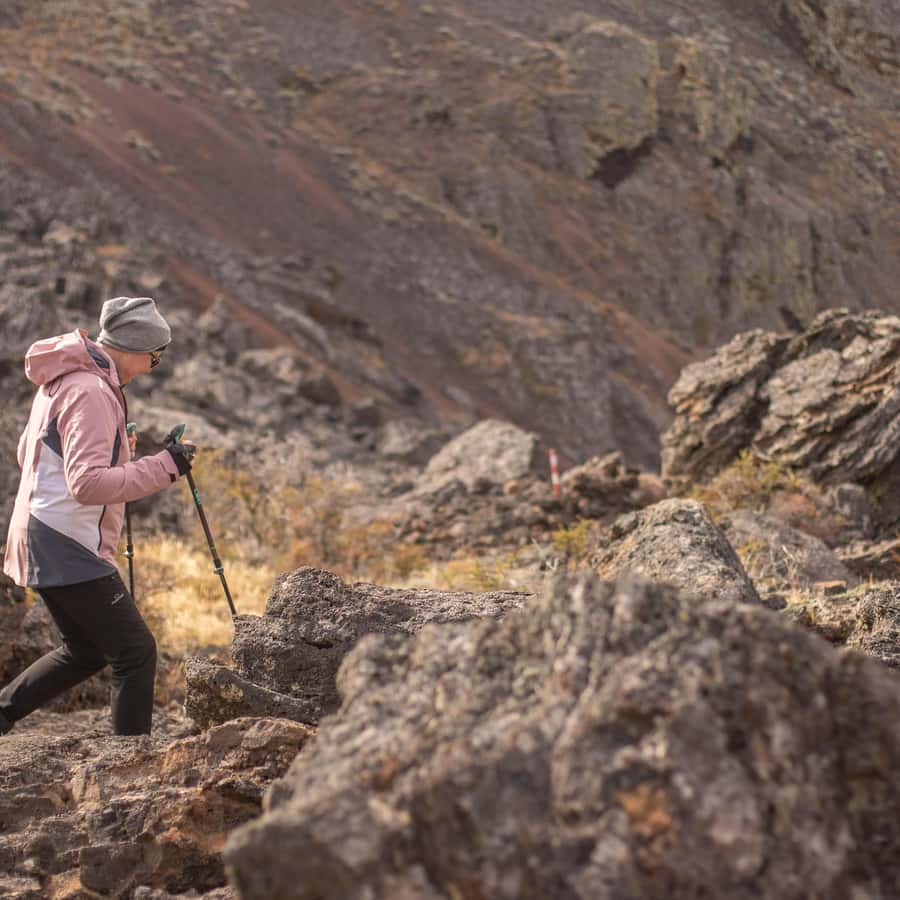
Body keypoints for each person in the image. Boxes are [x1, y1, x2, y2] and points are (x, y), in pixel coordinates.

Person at [0, 296, 195, 736]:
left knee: (86, 650)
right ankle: (131, 763)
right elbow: (86, 485)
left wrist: (117, 448)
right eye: (156, 354)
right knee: (136, 652)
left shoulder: (68, 379)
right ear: (133, 347)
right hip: (63, 540)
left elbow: (27, 454)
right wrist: (165, 466)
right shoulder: (91, 391)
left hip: (42, 533)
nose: (155, 364)